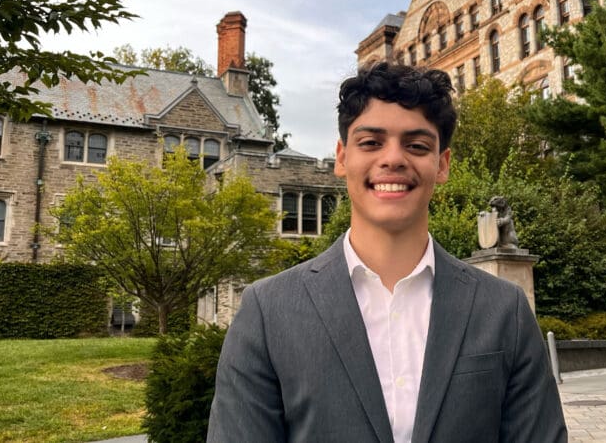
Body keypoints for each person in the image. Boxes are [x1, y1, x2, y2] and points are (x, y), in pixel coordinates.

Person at [207, 62, 567, 443]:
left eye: (416, 145)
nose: (393, 158)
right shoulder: (268, 310)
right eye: (371, 142)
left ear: (441, 164)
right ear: (342, 159)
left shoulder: (503, 310)